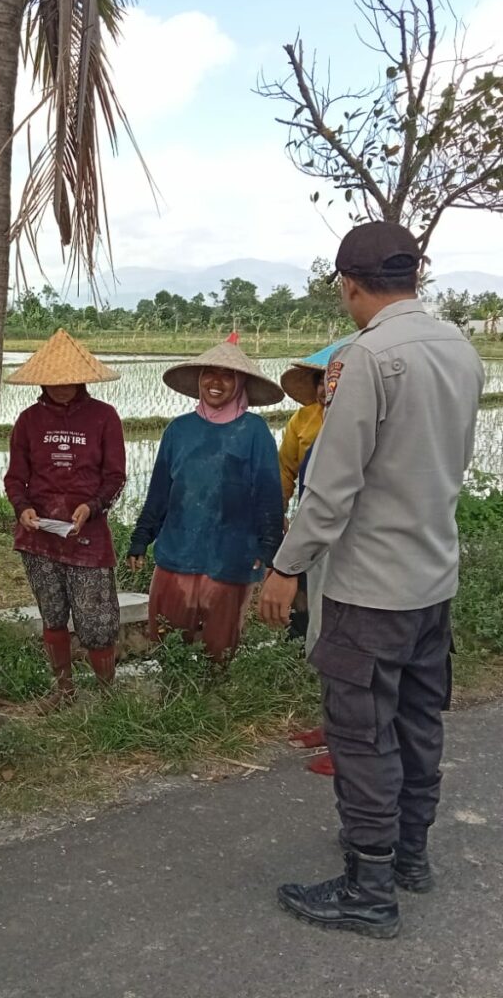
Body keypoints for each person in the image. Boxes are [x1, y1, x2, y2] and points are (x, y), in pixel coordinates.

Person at [259, 222, 484, 938]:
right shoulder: (459, 349)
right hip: (432, 580)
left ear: (349, 285)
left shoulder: (369, 359)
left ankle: (369, 889)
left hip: (368, 589)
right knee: (418, 722)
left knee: (361, 734)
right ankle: (409, 856)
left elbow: (330, 488)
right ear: (413, 277)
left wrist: (285, 567)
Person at [127, 334, 284, 664]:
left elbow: (269, 494)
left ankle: (212, 704)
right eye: (209, 374)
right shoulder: (178, 430)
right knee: (167, 638)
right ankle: (174, 697)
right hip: (178, 551)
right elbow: (159, 492)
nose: (216, 382)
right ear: (198, 380)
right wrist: (141, 538)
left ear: (240, 383)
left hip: (231, 555)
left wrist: (269, 546)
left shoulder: (254, 432)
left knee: (219, 644)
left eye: (227, 375)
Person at [4, 330, 127, 709]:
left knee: (96, 622)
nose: (60, 387)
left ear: (82, 378)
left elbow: (115, 477)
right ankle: (64, 691)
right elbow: (14, 478)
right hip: (40, 537)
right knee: (53, 615)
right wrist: (22, 507)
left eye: (67, 379)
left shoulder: (104, 418)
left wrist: (92, 506)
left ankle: (108, 697)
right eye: (52, 380)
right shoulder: (28, 421)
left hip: (87, 538)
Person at [279, 339, 355, 776]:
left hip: (353, 541)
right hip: (314, 534)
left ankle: (351, 742)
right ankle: (332, 725)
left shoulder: (365, 422)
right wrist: (281, 525)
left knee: (349, 638)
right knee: (321, 632)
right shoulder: (305, 420)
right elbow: (286, 471)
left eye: (338, 380)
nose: (330, 387)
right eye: (325, 380)